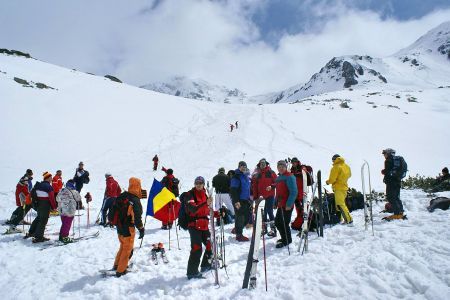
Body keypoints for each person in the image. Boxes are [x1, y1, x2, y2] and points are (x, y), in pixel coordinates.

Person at [112, 177, 145, 277]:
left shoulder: (122, 195)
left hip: (119, 226)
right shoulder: (135, 200)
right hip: (128, 227)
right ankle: (121, 270)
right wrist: (141, 228)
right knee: (127, 249)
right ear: (138, 186)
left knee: (123, 246)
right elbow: (137, 217)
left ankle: (117, 265)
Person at [186, 176, 212, 279]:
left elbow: (206, 210)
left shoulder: (205, 195)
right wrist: (206, 203)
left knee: (210, 245)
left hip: (204, 225)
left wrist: (218, 213)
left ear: (203, 184)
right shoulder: (190, 195)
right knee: (197, 248)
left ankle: (206, 265)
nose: (198, 184)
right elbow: (193, 209)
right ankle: (192, 272)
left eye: (200, 183)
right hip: (194, 225)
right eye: (197, 183)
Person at [267, 160, 297, 248]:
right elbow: (277, 188)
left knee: (284, 223)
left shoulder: (290, 177)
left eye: (282, 167)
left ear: (286, 167)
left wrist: (289, 204)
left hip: (287, 205)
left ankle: (287, 240)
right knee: (278, 222)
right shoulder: (280, 177)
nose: (281, 168)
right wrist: (275, 202)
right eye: (279, 167)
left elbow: (294, 192)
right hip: (281, 204)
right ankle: (285, 238)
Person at [27, 172, 57, 243]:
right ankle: (39, 237)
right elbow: (52, 198)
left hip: (38, 203)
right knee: (43, 220)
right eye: (51, 177)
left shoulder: (39, 185)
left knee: (39, 218)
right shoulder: (48, 186)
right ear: (48, 178)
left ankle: (32, 232)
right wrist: (54, 207)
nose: (51, 179)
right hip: (45, 204)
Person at [252, 158, 277, 237]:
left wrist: (272, 186)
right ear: (259, 165)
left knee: (269, 211)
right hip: (261, 197)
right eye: (261, 164)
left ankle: (273, 229)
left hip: (270, 195)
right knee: (263, 213)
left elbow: (277, 182)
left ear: (266, 164)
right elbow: (255, 186)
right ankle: (264, 228)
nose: (262, 165)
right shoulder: (257, 174)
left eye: (264, 163)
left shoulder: (271, 172)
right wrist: (255, 197)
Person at [326, 154, 353, 224]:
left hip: (338, 188)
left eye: (333, 160)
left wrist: (328, 182)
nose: (332, 161)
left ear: (335, 159)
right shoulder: (346, 166)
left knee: (340, 204)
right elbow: (349, 175)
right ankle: (342, 219)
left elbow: (332, 179)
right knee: (340, 204)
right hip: (344, 187)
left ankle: (349, 220)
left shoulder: (336, 167)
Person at [6, 169, 34, 233]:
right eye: (30, 174)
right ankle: (13, 226)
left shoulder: (26, 179)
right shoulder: (25, 179)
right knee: (22, 211)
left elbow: (25, 188)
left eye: (31, 174)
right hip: (22, 197)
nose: (31, 175)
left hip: (23, 195)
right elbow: (24, 188)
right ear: (27, 173)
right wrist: (28, 196)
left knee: (21, 209)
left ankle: (14, 220)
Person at [230, 161, 251, 242]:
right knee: (240, 217)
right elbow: (233, 190)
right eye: (241, 166)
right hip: (239, 200)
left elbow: (247, 189)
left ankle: (236, 229)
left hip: (245, 200)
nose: (243, 168)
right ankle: (239, 235)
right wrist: (236, 201)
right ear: (239, 167)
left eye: (244, 166)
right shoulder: (237, 176)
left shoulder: (245, 176)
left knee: (245, 217)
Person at [381, 149, 404, 220]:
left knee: (391, 197)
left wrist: (383, 171)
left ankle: (397, 214)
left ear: (388, 153)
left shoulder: (388, 160)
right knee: (396, 197)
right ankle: (400, 212)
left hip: (391, 183)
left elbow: (388, 172)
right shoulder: (398, 160)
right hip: (398, 181)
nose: (384, 155)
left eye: (385, 154)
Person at [290, 157, 310, 230]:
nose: (293, 163)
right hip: (295, 195)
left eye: (295, 162)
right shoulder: (291, 170)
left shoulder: (302, 168)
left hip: (302, 194)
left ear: (297, 162)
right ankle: (300, 224)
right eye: (292, 162)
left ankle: (299, 224)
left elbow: (305, 173)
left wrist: (302, 172)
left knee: (304, 210)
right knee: (299, 210)